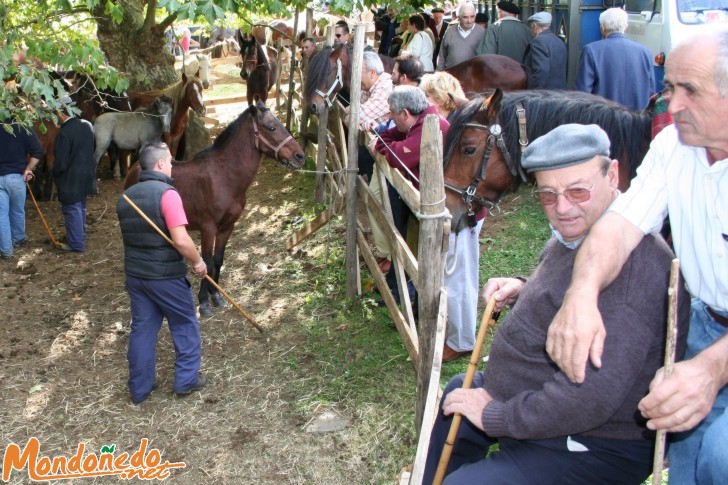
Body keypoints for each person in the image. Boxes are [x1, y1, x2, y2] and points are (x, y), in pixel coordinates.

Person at [423, 123, 690, 483]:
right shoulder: (581, 232)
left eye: (577, 191)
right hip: (538, 408)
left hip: (590, 441)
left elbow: (587, 400)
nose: (562, 208)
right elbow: (570, 288)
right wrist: (524, 286)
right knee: (456, 397)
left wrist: (495, 416)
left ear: (613, 175)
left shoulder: (634, 268)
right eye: (548, 196)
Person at [546, 29, 728, 484]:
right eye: (669, 87)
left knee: (720, 457)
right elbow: (619, 226)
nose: (673, 104)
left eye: (690, 90)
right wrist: (581, 294)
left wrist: (711, 367)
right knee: (687, 453)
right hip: (707, 323)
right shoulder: (673, 146)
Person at [116, 141, 208, 405]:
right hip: (166, 277)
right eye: (169, 161)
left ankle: (140, 388)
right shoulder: (168, 195)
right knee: (185, 323)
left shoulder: (126, 199)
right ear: (159, 164)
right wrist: (198, 261)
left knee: (143, 328)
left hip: (136, 276)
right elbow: (180, 240)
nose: (171, 166)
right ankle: (186, 380)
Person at [366, 86, 450, 303]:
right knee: (405, 240)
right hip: (420, 198)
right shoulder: (416, 121)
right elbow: (386, 137)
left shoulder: (429, 126)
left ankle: (407, 297)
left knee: (414, 249)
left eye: (393, 114)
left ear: (404, 113)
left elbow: (397, 157)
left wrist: (387, 147)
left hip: (436, 203)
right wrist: (389, 144)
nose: (390, 118)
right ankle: (398, 291)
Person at [574, 8, 655, 111]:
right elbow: (651, 94)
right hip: (637, 122)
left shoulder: (591, 50)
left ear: (602, 28)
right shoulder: (645, 53)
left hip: (603, 120)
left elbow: (582, 93)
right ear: (625, 27)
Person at [53, 96, 96, 253]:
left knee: (72, 209)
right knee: (81, 208)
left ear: (61, 112)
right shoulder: (87, 126)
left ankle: (76, 244)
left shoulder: (64, 133)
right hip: (86, 175)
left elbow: (61, 163)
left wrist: (55, 173)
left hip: (71, 179)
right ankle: (79, 237)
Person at [345, 51, 394, 181]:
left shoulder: (384, 87)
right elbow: (351, 111)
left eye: (359, 73)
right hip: (373, 142)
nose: (355, 78)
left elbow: (354, 117)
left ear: (372, 73)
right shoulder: (369, 87)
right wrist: (353, 112)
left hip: (385, 146)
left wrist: (353, 113)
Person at [0, 119, 44, 260]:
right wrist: (28, 169)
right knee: (18, 209)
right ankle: (18, 238)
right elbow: (38, 151)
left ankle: (6, 250)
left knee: (1, 215)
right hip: (17, 177)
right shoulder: (22, 127)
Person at [523, 11, 567, 89]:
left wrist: (534, 92)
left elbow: (541, 70)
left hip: (544, 95)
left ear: (535, 26)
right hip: (560, 93)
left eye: (531, 27)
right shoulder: (559, 41)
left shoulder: (538, 42)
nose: (531, 30)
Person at [436, 2, 485, 70]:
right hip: (451, 76)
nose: (469, 20)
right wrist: (439, 74)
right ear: (459, 18)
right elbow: (442, 56)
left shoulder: (482, 32)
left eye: (472, 16)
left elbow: (486, 58)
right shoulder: (450, 32)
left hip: (473, 77)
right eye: (465, 17)